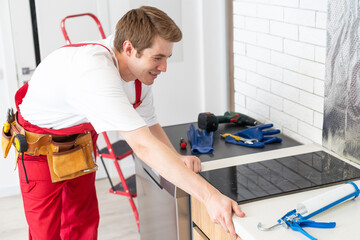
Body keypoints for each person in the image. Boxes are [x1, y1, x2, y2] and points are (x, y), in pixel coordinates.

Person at [9, 6, 245, 240]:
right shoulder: (95, 72)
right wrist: (211, 197)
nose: (164, 67)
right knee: (45, 232)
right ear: (129, 48)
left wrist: (177, 158)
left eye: (167, 58)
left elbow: (150, 126)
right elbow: (143, 146)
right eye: (158, 58)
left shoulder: (138, 74)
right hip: (37, 147)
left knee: (83, 222)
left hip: (80, 141)